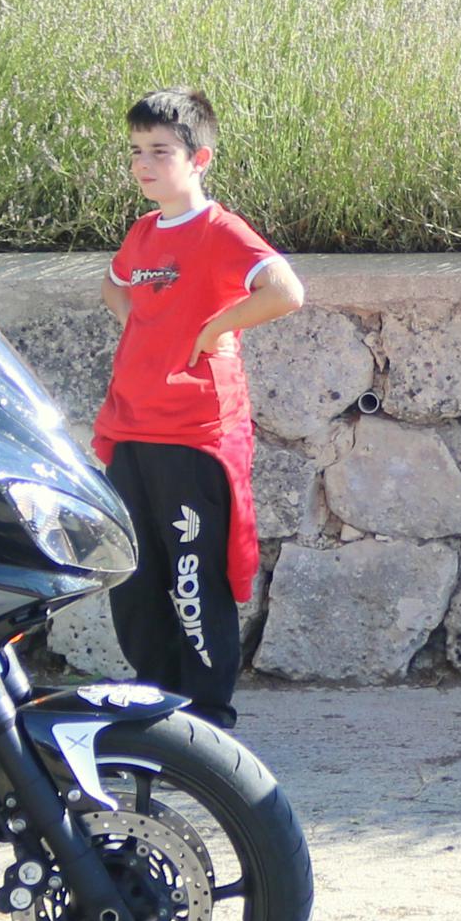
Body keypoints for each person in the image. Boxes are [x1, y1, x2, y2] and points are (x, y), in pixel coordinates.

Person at [90, 88, 304, 723]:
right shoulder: (143, 232)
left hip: (194, 433)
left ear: (199, 157)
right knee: (134, 575)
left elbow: (286, 291)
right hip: (131, 428)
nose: (144, 164)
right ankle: (153, 701)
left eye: (160, 151)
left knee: (192, 576)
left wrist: (212, 332)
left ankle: (206, 712)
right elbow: (115, 283)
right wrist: (143, 328)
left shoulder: (220, 231)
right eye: (136, 152)